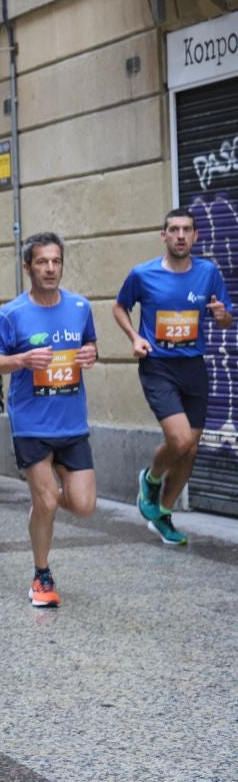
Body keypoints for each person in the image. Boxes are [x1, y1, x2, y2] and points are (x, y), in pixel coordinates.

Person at [0, 232, 99, 607]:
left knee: (83, 504)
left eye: (56, 262)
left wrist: (90, 354)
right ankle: (41, 575)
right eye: (42, 262)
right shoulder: (12, 314)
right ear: (28, 267)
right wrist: (22, 360)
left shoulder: (80, 307)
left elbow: (90, 345)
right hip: (31, 422)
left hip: (71, 422)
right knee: (48, 502)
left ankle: (42, 500)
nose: (50, 269)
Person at [112, 207, 233, 546]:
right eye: (174, 229)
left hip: (193, 366)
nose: (181, 235)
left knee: (190, 451)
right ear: (163, 236)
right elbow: (120, 306)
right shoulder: (143, 274)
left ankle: (162, 514)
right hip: (159, 366)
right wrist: (135, 338)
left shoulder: (208, 273)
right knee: (180, 441)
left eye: (187, 230)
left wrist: (223, 316)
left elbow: (226, 319)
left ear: (196, 236)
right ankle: (150, 481)